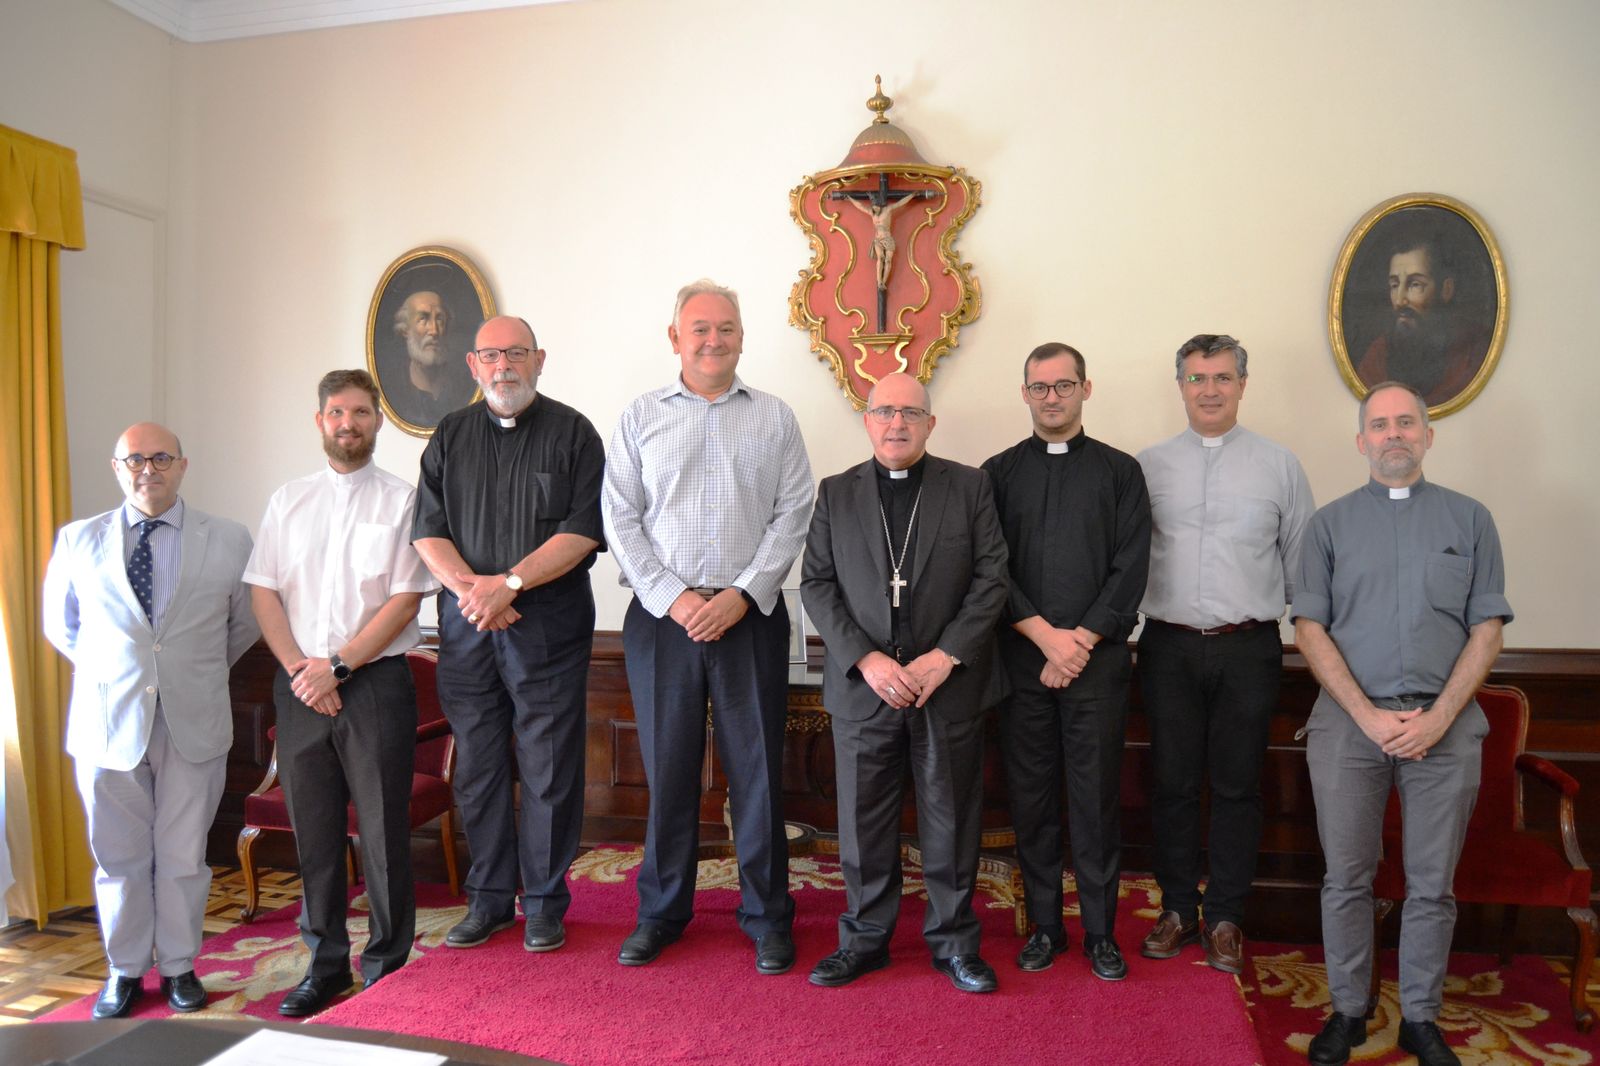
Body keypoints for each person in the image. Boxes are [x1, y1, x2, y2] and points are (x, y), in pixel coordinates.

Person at [1293, 382, 1511, 1066]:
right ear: (1361, 441)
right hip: (1349, 729)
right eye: (1380, 425)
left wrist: (1439, 718)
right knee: (1348, 878)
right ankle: (1349, 1010)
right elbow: (1307, 628)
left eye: (1406, 423)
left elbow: (1487, 630)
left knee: (1430, 883)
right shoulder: (1326, 526)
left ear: (1428, 434)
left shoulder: (1471, 520)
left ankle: (1421, 1016)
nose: (1394, 434)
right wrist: (1368, 716)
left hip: (1442, 732)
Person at [601, 279, 813, 975]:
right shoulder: (639, 417)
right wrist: (675, 597)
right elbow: (621, 517)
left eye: (725, 328)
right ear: (675, 338)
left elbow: (794, 512)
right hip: (665, 622)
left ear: (742, 338)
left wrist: (745, 595)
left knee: (757, 775)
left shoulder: (775, 418)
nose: (713, 340)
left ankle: (766, 916)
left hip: (749, 620)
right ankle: (661, 913)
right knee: (669, 771)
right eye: (699, 329)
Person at [802, 372, 1009, 994]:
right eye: (885, 412)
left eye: (910, 413)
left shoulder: (969, 486)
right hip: (867, 688)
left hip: (946, 687)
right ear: (867, 421)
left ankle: (954, 945)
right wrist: (866, 660)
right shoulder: (836, 493)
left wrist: (945, 656)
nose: (897, 424)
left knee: (951, 819)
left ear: (930, 423)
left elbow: (991, 579)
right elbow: (817, 584)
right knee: (863, 825)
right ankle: (864, 941)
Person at [42, 423, 258, 1019]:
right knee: (118, 857)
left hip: (195, 717)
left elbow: (242, 626)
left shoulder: (229, 539)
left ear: (183, 465)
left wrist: (187, 670)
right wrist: (121, 672)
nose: (148, 468)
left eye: (161, 457)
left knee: (185, 854)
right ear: (116, 467)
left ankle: (182, 966)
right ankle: (125, 970)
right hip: (108, 724)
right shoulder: (77, 540)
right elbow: (62, 627)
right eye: (134, 458)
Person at [244, 369, 438, 1016]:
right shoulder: (288, 501)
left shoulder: (404, 500)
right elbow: (264, 590)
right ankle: (324, 965)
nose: (347, 423)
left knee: (383, 833)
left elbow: (406, 596)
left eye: (359, 412)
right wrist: (305, 668)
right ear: (320, 420)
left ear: (377, 420)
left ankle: (386, 967)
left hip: (375, 683)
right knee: (316, 833)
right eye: (336, 412)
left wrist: (340, 667)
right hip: (299, 684)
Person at [411, 315, 606, 954]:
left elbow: (581, 532)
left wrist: (510, 585)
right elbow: (427, 531)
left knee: (549, 769)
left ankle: (546, 903)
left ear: (539, 359)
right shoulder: (449, 435)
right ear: (473, 365)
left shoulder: (575, 432)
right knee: (480, 769)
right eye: (491, 355)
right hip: (468, 630)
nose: (504, 366)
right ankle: (489, 901)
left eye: (516, 353)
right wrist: (477, 592)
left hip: (546, 629)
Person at [1137, 333, 1314, 975]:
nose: (1208, 389)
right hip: (1168, 646)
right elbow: (1127, 559)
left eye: (1221, 377)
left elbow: (1301, 565)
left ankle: (1228, 918)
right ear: (1179, 385)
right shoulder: (1148, 466)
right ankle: (1179, 909)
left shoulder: (1280, 466)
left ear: (1243, 383)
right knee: (1173, 784)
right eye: (1196, 378)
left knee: (1239, 787)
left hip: (1249, 649)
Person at [981, 343, 1150, 981]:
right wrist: (1047, 641)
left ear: (1086, 388)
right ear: (1025, 394)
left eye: (1064, 385)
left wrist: (1077, 643)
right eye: (1040, 387)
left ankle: (1101, 933)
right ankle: (1046, 929)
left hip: (1097, 666)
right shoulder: (995, 474)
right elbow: (990, 566)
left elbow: (1129, 569)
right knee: (1031, 800)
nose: (1052, 397)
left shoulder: (1120, 472)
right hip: (1023, 666)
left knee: (1095, 801)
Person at [1355, 235, 1491, 407]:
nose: (1400, 301)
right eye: (1395, 285)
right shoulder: (1377, 357)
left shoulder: (1474, 350)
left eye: (1415, 284)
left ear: (1446, 290)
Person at [383, 290, 478, 426]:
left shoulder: (464, 384)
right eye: (423, 319)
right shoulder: (393, 389)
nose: (434, 330)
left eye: (439, 319)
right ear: (405, 329)